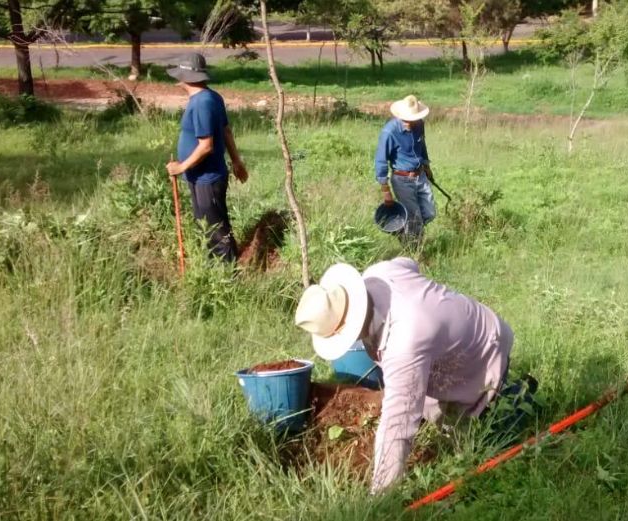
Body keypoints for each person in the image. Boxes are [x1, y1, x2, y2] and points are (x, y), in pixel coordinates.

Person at [294, 258, 515, 493]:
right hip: (463, 327)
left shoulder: (404, 342)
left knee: (472, 436)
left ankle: (510, 405)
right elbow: (409, 264)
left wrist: (381, 495)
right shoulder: (377, 273)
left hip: (486, 350)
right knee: (432, 410)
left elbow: (398, 423)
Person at [165, 53, 248, 262]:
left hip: (207, 179)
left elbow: (206, 146)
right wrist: (237, 162)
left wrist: (181, 167)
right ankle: (216, 268)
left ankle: (228, 275)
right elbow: (226, 131)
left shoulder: (202, 103)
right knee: (208, 226)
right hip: (202, 178)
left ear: (186, 76)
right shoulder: (211, 97)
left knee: (216, 231)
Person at [374, 95, 437, 248]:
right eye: (409, 119)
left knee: (429, 213)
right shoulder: (389, 132)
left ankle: (405, 230)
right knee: (415, 218)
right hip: (402, 179)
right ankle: (415, 251)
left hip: (420, 175)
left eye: (414, 118)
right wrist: (385, 189)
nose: (412, 122)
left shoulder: (419, 125)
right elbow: (381, 160)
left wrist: (427, 167)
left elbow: (422, 146)